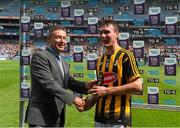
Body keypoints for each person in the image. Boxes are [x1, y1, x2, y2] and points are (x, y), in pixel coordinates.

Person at [25, 26, 94, 127]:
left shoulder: (63, 62)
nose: (63, 41)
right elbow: (49, 84)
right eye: (58, 37)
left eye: (64, 38)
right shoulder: (40, 56)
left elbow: (70, 82)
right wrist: (74, 99)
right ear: (48, 39)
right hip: (40, 117)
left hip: (56, 116)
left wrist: (86, 86)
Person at [79, 20, 143, 127]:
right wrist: (88, 103)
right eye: (101, 33)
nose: (103, 36)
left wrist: (107, 91)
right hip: (99, 119)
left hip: (118, 120)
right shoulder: (100, 60)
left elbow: (138, 86)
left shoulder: (126, 56)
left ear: (117, 34)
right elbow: (101, 89)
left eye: (107, 32)